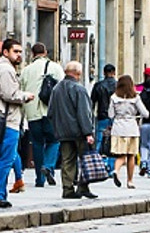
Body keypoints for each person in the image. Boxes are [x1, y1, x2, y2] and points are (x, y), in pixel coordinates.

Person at [0, 38, 34, 208]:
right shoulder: (5, 69)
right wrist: (25, 96)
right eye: (15, 51)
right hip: (6, 120)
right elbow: (8, 94)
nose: (19, 55)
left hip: (2, 119)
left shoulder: (1, 67)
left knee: (1, 158)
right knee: (5, 158)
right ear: (5, 52)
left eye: (20, 52)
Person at [49, 61, 98, 198]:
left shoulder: (56, 89)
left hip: (63, 132)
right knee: (85, 159)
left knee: (67, 160)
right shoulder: (79, 89)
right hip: (79, 132)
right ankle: (83, 186)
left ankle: (67, 188)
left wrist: (58, 127)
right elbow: (84, 113)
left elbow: (51, 112)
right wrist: (88, 132)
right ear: (78, 73)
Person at [19, 43, 59, 188]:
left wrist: (22, 114)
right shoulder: (55, 67)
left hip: (32, 112)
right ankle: (48, 166)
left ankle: (39, 179)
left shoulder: (26, 70)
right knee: (54, 141)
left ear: (32, 53)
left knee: (37, 143)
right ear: (45, 52)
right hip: (50, 111)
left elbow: (20, 91)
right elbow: (60, 88)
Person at [108, 74, 147, 188]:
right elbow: (145, 113)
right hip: (131, 128)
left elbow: (110, 114)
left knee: (121, 155)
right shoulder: (136, 97)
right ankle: (130, 181)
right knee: (131, 156)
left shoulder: (114, 97)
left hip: (118, 128)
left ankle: (116, 170)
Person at [90, 64, 119, 173]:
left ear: (104, 73)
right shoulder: (118, 86)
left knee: (99, 141)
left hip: (102, 116)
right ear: (114, 72)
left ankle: (98, 165)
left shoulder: (98, 85)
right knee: (113, 142)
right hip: (116, 117)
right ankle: (111, 167)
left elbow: (92, 102)